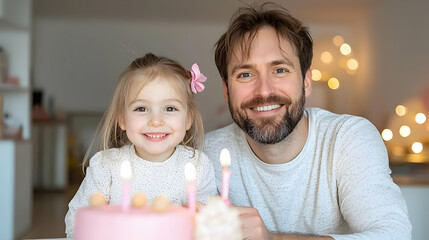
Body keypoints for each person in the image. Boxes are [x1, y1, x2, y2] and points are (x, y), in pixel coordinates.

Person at [204, 2, 411, 240]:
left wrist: (273, 239)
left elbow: (394, 234)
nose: (263, 90)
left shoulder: (348, 139)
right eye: (245, 74)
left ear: (306, 81)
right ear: (226, 90)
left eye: (280, 70)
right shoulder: (204, 155)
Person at [65, 53, 216, 238]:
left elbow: (211, 226)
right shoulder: (105, 166)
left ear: (188, 119)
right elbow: (76, 220)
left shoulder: (198, 167)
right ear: (122, 119)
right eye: (141, 109)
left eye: (170, 108)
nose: (155, 121)